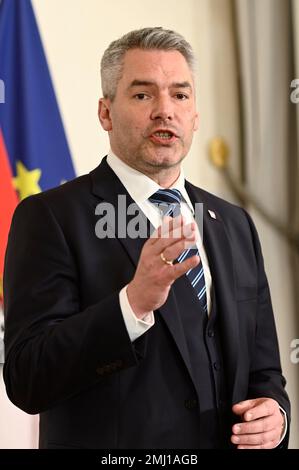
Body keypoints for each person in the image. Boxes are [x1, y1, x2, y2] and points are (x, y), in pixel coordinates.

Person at [3, 27, 290, 449]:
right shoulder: (50, 217)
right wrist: (133, 303)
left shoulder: (234, 224)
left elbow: (264, 370)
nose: (165, 111)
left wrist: (275, 416)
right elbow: (28, 378)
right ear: (105, 113)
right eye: (142, 95)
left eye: (180, 95)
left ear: (195, 115)